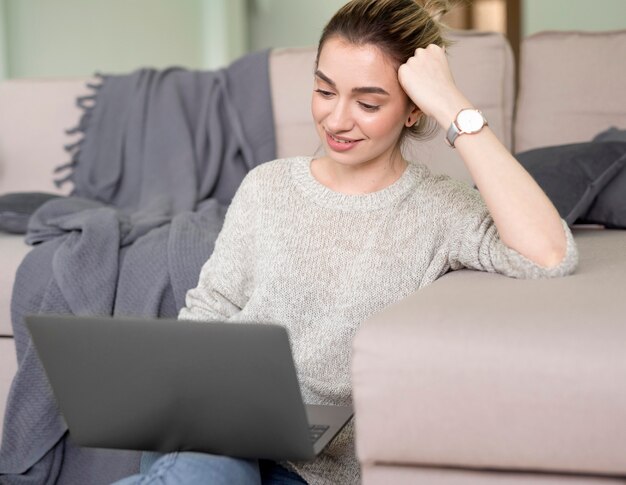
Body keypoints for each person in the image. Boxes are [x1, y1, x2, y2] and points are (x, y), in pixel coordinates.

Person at [113, 0, 578, 483]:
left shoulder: (441, 210)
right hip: (212, 430)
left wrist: (453, 106)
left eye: (368, 103)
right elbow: (212, 309)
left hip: (311, 470)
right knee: (198, 469)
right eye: (324, 90)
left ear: (414, 109)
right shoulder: (267, 185)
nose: (336, 120)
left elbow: (549, 254)